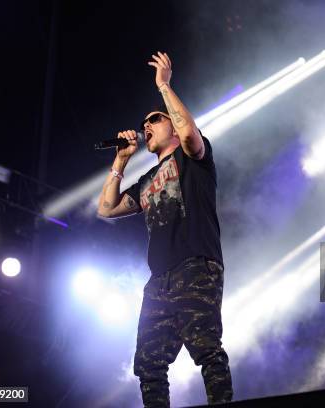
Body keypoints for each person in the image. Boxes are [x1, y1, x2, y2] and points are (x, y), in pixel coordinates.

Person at [97, 51, 233, 407]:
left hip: (196, 265)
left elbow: (188, 131)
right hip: (159, 279)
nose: (147, 126)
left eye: (155, 120)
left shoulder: (194, 159)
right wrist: (121, 160)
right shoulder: (144, 182)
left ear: (171, 125)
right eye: (145, 123)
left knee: (207, 350)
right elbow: (106, 208)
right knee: (148, 365)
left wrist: (164, 86)